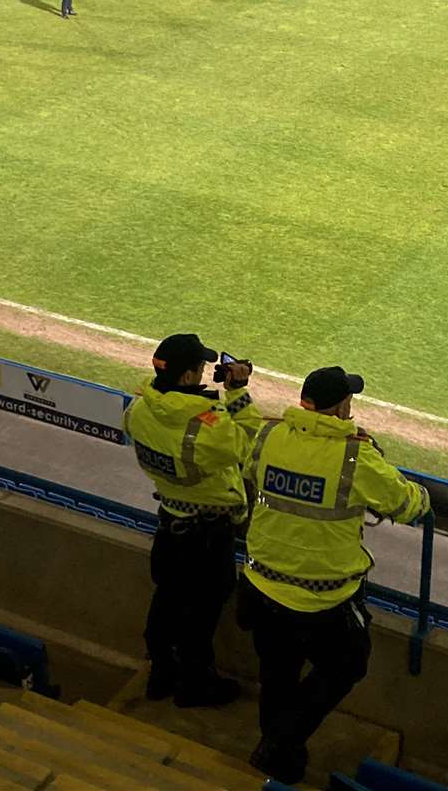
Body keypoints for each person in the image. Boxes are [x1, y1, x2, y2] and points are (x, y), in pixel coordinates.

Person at [240, 366, 431, 784]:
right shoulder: (355, 456)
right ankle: (279, 742)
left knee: (276, 673)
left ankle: (281, 759)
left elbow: (252, 474)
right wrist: (403, 481)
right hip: (323, 600)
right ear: (343, 406)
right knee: (347, 664)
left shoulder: (269, 436)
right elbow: (407, 504)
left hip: (261, 585)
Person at [124, 333, 265, 707]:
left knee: (167, 598)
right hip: (207, 533)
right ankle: (195, 684)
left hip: (170, 523)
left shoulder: (136, 411)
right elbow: (249, 441)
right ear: (187, 378)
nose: (205, 375)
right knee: (202, 612)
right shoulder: (206, 428)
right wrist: (237, 390)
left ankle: (161, 672)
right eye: (200, 370)